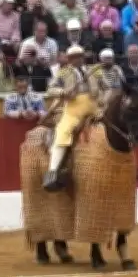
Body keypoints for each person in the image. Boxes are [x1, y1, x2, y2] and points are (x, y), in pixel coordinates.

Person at [43, 44, 98, 192]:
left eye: (80, 56)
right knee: (63, 131)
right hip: (73, 108)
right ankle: (53, 171)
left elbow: (105, 87)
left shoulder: (92, 71)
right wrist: (63, 92)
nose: (78, 60)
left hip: (94, 107)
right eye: (74, 57)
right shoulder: (63, 73)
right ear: (69, 59)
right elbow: (50, 89)